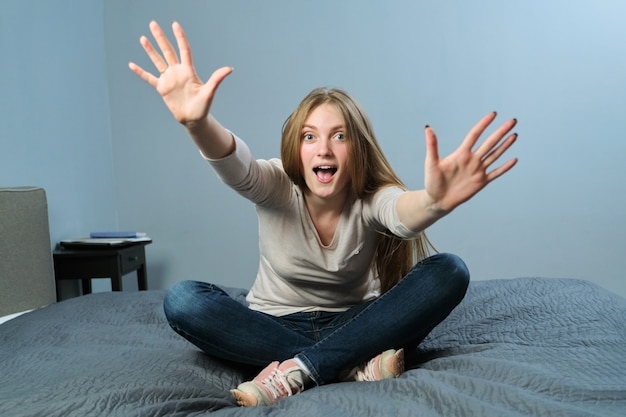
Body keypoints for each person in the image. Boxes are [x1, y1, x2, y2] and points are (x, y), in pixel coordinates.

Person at [129, 21, 518, 407]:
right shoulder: (277, 184)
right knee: (183, 300)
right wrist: (198, 123)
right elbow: (236, 163)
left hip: (355, 320)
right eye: (310, 136)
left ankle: (299, 369)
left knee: (450, 270)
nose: (324, 149)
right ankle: (349, 363)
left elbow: (402, 211)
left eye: (340, 135)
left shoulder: (371, 196)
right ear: (296, 148)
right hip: (273, 325)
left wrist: (433, 202)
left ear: (357, 148)